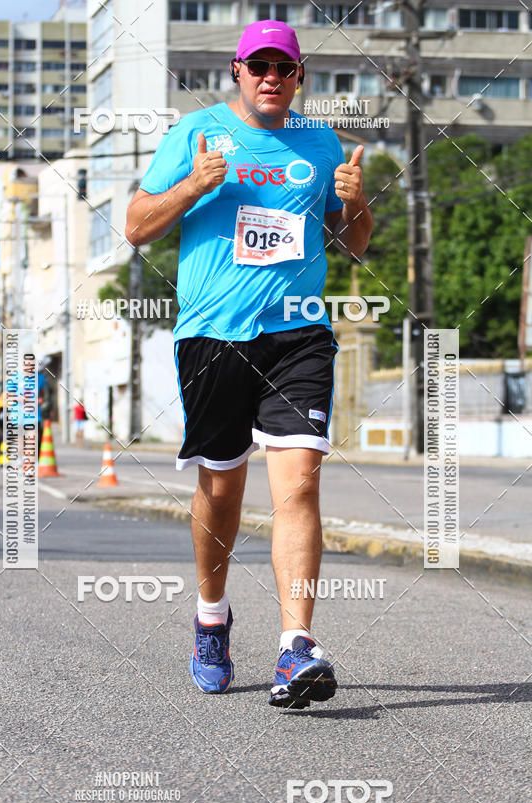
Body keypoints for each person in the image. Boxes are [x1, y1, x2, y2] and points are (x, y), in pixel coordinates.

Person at [125, 20, 373, 709]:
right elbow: (137, 225)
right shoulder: (195, 133)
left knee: (297, 487)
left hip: (298, 335)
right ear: (236, 71)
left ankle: (297, 648)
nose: (270, 76)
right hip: (212, 337)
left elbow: (353, 247)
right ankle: (211, 616)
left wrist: (356, 207)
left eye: (283, 67)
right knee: (223, 492)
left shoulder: (321, 144)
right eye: (257, 65)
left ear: (300, 78)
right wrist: (192, 189)